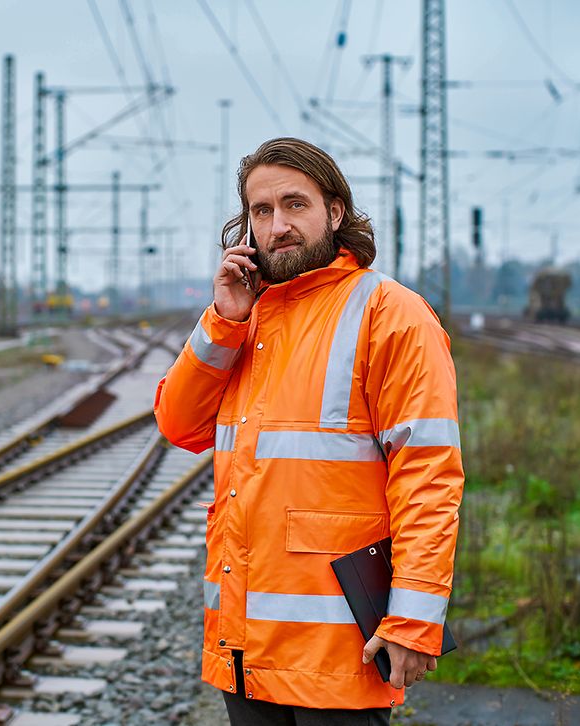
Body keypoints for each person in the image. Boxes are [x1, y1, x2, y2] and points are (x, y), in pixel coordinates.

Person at [154, 137, 464, 725]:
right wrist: (222, 321)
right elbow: (179, 424)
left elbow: (427, 474)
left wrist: (415, 620)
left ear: (336, 212)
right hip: (244, 647)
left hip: (341, 654)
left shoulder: (390, 313)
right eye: (262, 211)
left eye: (295, 204)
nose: (278, 225)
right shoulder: (247, 319)